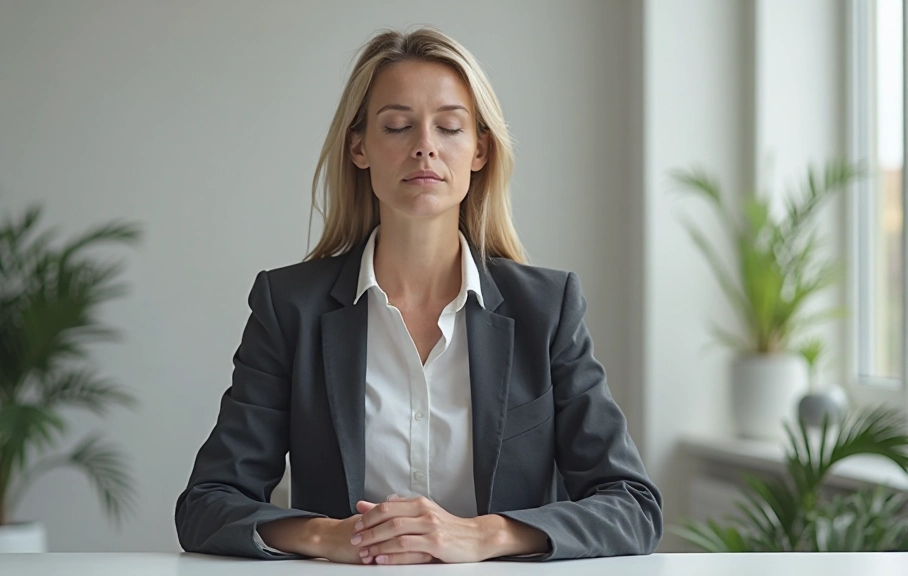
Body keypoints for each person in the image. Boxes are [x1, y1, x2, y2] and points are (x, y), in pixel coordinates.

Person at [175, 26, 662, 565]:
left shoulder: (546, 308)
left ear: (480, 149)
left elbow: (632, 506)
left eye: (450, 127)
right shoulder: (289, 306)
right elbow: (207, 504)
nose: (424, 145)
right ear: (359, 147)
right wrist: (329, 536)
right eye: (398, 125)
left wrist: (481, 536)